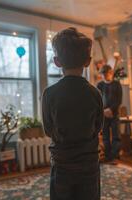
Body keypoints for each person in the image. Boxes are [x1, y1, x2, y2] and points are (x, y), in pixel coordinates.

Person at [42, 27, 103, 200]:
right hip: (89, 164)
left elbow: (48, 130)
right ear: (88, 61)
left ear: (57, 61)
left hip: (62, 164)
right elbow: (98, 127)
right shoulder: (95, 93)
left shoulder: (49, 94)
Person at [97, 64, 123, 164]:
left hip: (114, 114)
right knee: (105, 136)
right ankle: (108, 156)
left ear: (110, 73)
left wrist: (111, 110)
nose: (104, 76)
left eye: (106, 73)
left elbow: (119, 100)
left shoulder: (117, 84)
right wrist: (103, 111)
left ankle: (114, 156)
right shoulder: (99, 85)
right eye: (102, 74)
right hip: (103, 115)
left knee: (116, 136)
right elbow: (97, 100)